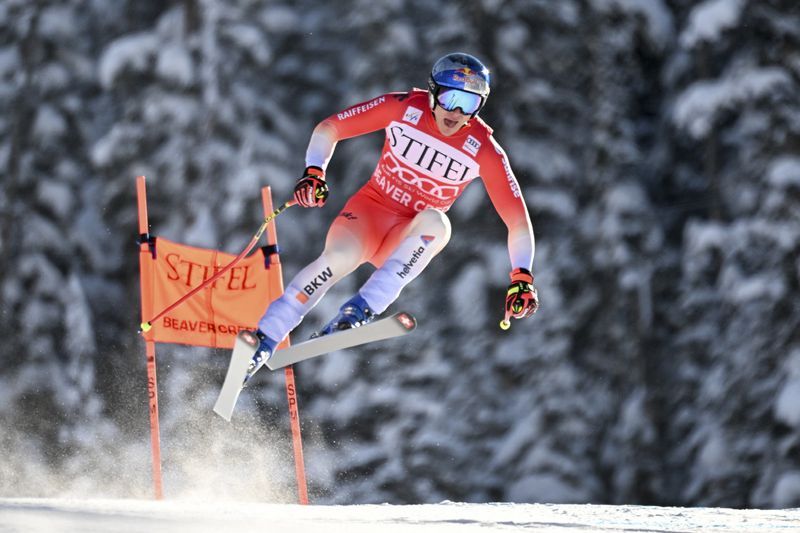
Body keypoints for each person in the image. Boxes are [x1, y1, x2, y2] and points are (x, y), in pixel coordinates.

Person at [248, 52, 539, 373]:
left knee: (438, 224)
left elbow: (517, 220)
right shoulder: (403, 108)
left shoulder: (483, 148)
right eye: (450, 98)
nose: (456, 112)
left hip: (406, 239)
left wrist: (522, 277)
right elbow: (330, 127)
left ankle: (360, 310)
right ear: (433, 92)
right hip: (367, 217)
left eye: (469, 104)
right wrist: (314, 171)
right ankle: (264, 340)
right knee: (337, 260)